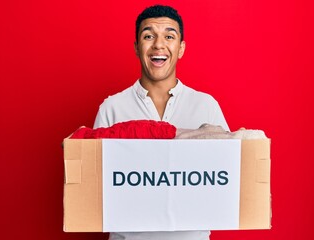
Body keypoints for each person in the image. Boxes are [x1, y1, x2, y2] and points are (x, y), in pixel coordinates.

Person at [94, 5, 229, 240]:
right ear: (137, 47)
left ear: (181, 48)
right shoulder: (112, 108)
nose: (158, 44)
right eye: (148, 36)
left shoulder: (206, 106)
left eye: (169, 36)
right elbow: (95, 186)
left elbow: (226, 180)